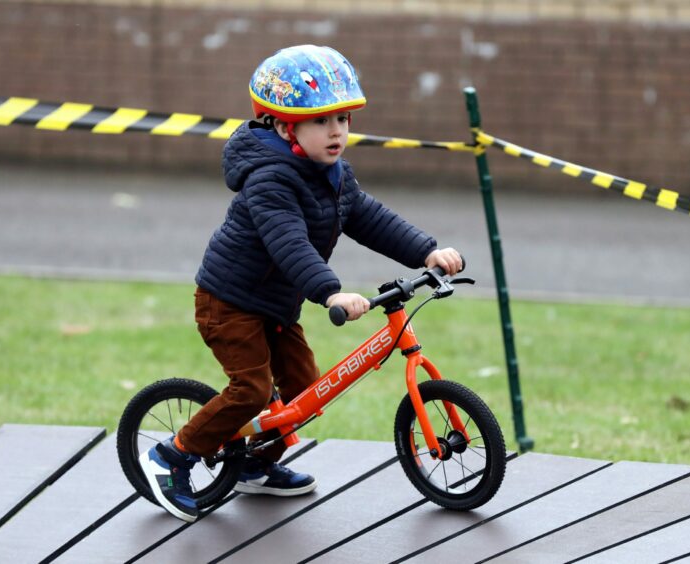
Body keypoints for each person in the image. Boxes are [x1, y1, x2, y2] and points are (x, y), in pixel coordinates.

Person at [139, 44, 462, 523]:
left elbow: (370, 218)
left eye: (342, 120)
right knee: (250, 390)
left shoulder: (333, 173)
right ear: (284, 126)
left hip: (273, 306)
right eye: (320, 122)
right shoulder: (268, 179)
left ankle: (253, 463)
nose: (336, 132)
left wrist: (425, 250)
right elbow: (287, 242)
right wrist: (330, 291)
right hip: (229, 302)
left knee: (304, 391)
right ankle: (173, 455)